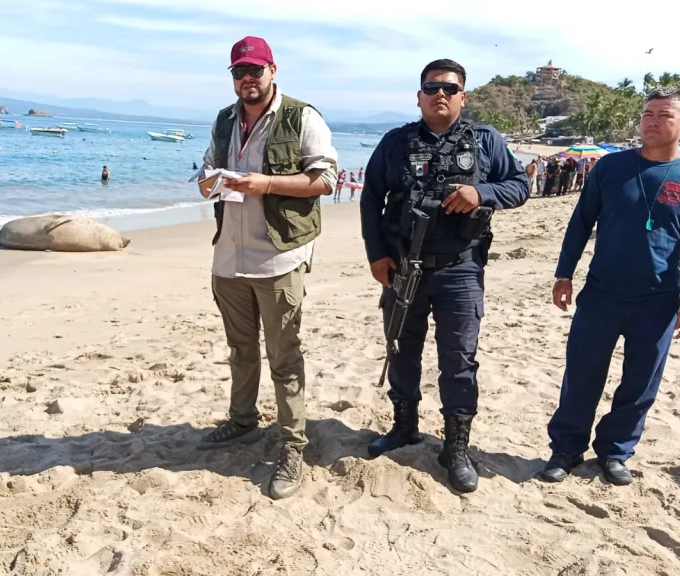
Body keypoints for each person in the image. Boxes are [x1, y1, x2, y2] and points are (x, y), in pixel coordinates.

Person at [359, 59, 529, 493]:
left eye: (449, 89)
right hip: (402, 266)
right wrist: (376, 254)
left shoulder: (486, 141)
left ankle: (455, 446)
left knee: (458, 360)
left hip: (460, 269)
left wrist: (480, 192)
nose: (440, 95)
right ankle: (404, 427)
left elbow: (520, 186)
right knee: (401, 346)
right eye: (432, 88)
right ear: (418, 96)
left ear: (462, 97)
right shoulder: (397, 142)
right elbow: (371, 198)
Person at [539, 87, 680, 486]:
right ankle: (566, 449)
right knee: (582, 374)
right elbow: (580, 223)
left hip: (658, 301)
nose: (652, 121)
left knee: (640, 384)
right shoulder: (609, 168)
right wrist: (564, 274)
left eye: (664, 115)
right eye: (648, 114)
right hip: (601, 293)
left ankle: (615, 452)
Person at [194, 36, 338, 500]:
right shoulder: (224, 119)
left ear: (273, 70)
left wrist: (266, 184)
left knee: (284, 357)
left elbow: (325, 180)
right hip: (229, 256)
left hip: (278, 257)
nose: (247, 79)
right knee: (240, 349)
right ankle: (242, 422)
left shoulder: (301, 117)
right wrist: (207, 183)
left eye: (255, 70)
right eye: (239, 72)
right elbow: (207, 171)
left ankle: (293, 444)